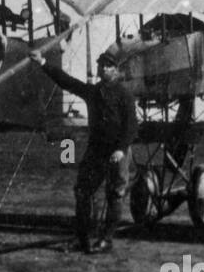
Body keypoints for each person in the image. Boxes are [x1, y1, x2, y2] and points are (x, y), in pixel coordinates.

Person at [30, 47, 135, 254]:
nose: (104, 69)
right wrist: (42, 63)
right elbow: (67, 82)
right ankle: (83, 238)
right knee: (82, 192)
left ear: (116, 70)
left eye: (108, 66)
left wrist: (121, 149)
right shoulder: (93, 92)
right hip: (96, 150)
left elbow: (131, 127)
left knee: (115, 194)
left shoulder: (125, 94)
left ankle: (106, 240)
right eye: (101, 65)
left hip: (117, 152)